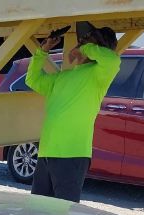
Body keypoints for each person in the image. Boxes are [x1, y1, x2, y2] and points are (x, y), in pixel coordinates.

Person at [25, 24, 120, 203]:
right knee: (38, 212)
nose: (80, 44)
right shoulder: (63, 76)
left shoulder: (98, 75)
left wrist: (84, 49)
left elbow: (113, 60)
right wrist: (43, 51)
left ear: (98, 47)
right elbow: (32, 79)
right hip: (46, 153)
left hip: (72, 155)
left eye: (86, 41)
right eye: (81, 42)